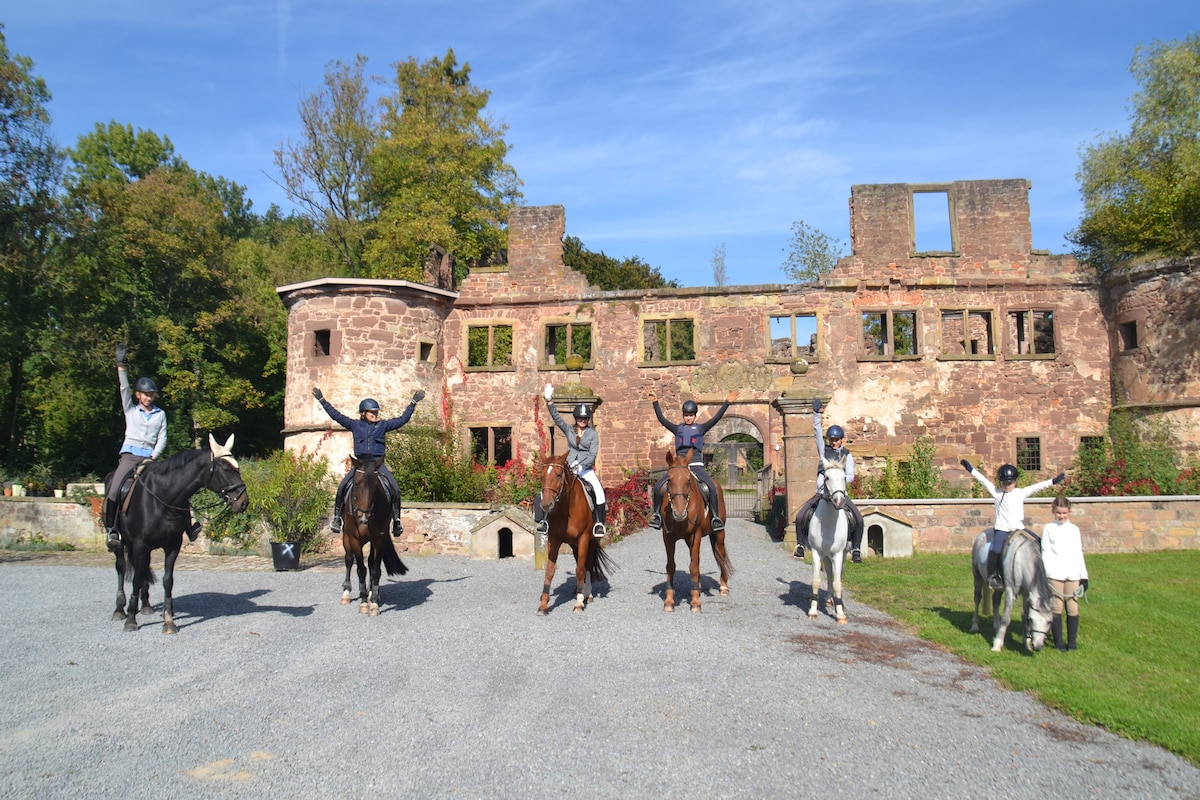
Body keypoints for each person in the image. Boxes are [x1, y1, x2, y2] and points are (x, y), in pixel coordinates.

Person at [313, 387, 423, 537]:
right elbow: (336, 416)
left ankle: (396, 521)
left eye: (376, 412)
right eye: (372, 412)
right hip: (361, 465)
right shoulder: (354, 425)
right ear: (363, 413)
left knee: (395, 489)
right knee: (342, 487)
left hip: (377, 464)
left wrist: (413, 403)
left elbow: (402, 420)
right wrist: (322, 401)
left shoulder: (383, 425)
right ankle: (337, 518)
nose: (375, 415)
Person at [105, 343, 171, 550]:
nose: (149, 397)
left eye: (151, 394)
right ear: (138, 395)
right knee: (114, 491)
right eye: (145, 394)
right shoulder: (131, 411)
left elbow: (162, 437)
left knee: (172, 486)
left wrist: (154, 456)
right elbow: (123, 388)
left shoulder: (160, 414)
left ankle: (188, 524)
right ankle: (112, 530)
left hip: (150, 459)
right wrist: (120, 366)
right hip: (130, 456)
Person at [962, 459, 1064, 590]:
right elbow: (983, 480)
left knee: (1039, 542)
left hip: (1019, 528)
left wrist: (1054, 481)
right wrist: (970, 469)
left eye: (1010, 483)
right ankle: (994, 576)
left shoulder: (1021, 493)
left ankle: (1044, 573)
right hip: (1002, 530)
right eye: (1004, 483)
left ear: (1015, 482)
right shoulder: (997, 493)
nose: (1007, 486)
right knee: (996, 550)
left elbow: (1038, 486)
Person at [647, 389, 738, 532]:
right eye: (686, 415)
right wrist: (655, 403)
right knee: (658, 486)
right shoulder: (678, 429)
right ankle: (657, 515)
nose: (688, 418)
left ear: (695, 416)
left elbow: (716, 418)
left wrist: (727, 403)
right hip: (678, 467)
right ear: (683, 416)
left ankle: (715, 518)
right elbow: (662, 420)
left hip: (696, 465)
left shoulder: (701, 428)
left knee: (712, 488)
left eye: (690, 415)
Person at [792, 397, 865, 561]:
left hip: (839, 493)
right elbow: (817, 433)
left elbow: (851, 476)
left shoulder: (847, 455)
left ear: (841, 439)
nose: (834, 442)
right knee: (800, 517)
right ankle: (801, 545)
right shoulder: (823, 451)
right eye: (832, 439)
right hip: (821, 493)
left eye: (837, 439)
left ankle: (856, 549)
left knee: (859, 519)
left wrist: (838, 483)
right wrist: (816, 414)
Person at [538, 384, 606, 538]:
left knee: (599, 491)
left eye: (585, 418)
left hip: (586, 469)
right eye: (580, 418)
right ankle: (544, 521)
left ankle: (599, 523)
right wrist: (549, 402)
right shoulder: (569, 429)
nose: (582, 420)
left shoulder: (593, 434)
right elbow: (557, 418)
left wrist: (582, 465)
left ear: (588, 419)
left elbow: (593, 454)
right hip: (568, 467)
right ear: (576, 418)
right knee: (548, 488)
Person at [1041, 495, 1089, 651]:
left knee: (1073, 607)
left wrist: (1084, 576)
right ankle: (1059, 642)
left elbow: (1078, 552)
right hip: (1055, 574)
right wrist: (1047, 574)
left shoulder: (1074, 530)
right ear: (1053, 511)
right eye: (1058, 513)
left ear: (1069, 512)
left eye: (1064, 513)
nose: (1061, 516)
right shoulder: (1048, 529)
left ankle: (1072, 642)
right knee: (1056, 607)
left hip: (1072, 573)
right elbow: (1046, 552)